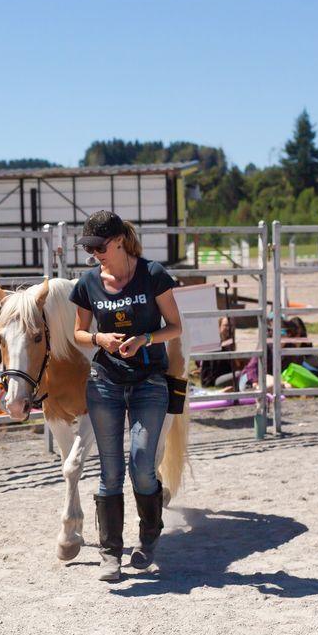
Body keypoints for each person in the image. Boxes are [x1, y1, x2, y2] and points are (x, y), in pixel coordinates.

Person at [69, 210, 182, 580]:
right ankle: (110, 553)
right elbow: (79, 334)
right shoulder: (88, 283)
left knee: (142, 466)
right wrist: (100, 339)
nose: (96, 253)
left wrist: (144, 339)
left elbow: (174, 326)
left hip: (149, 380)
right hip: (104, 382)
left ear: (119, 240)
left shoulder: (153, 275)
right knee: (110, 471)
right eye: (89, 248)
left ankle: (149, 535)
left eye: (100, 246)